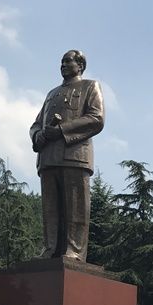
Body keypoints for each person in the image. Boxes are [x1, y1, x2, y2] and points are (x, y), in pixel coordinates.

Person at [29, 49, 105, 261]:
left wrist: (62, 130)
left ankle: (75, 250)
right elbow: (36, 124)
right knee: (50, 209)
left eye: (68, 61)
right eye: (61, 62)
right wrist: (38, 136)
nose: (63, 65)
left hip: (75, 155)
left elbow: (96, 118)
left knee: (75, 208)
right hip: (48, 158)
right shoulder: (51, 94)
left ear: (80, 65)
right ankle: (50, 248)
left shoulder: (90, 86)